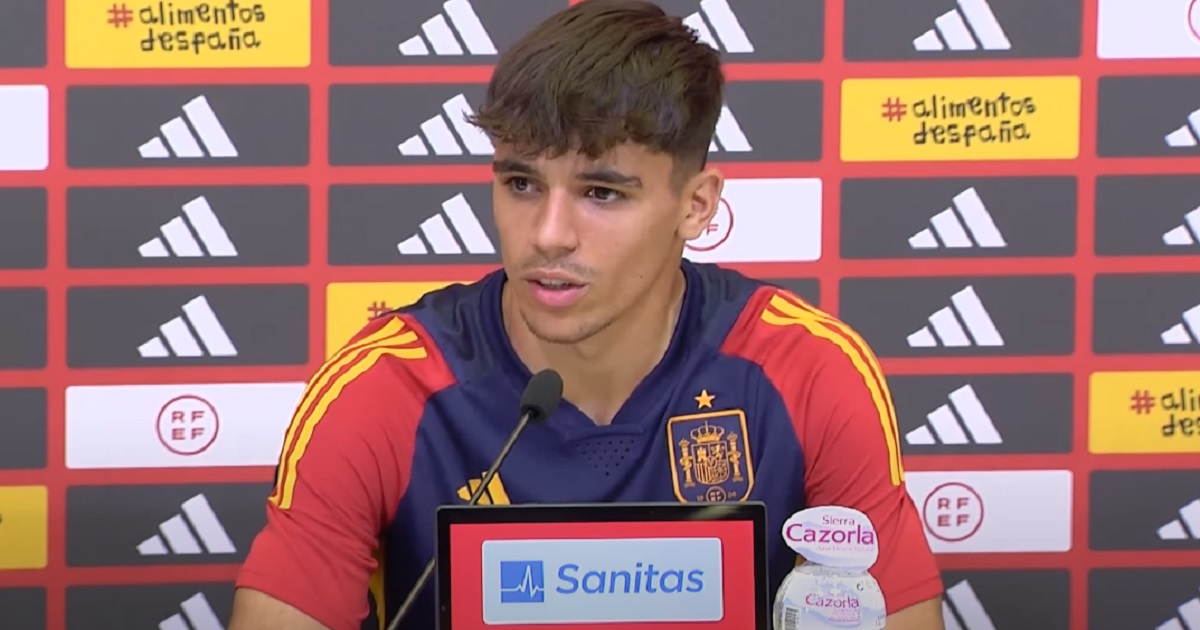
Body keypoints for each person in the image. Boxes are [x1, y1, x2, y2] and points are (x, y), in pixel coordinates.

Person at [228, 1, 946, 628]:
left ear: (696, 206)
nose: (547, 235)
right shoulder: (386, 384)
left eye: (602, 193)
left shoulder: (806, 370)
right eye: (521, 183)